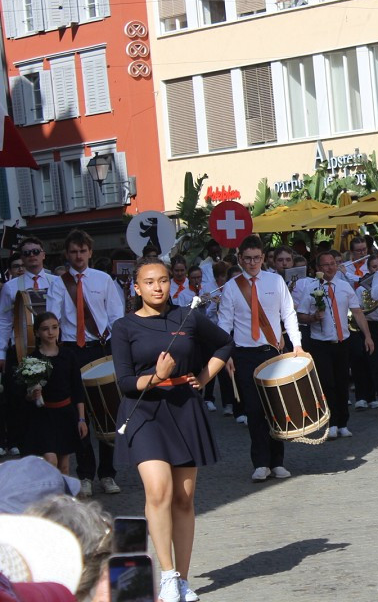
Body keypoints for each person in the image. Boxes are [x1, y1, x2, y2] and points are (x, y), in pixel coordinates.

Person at [112, 256, 234, 602]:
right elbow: (123, 382)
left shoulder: (187, 316)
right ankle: (166, 575)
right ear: (136, 288)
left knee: (183, 498)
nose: (157, 287)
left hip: (184, 409)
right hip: (144, 412)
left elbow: (225, 343)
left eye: (163, 280)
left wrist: (205, 375)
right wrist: (156, 377)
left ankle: (182, 578)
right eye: (149, 282)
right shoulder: (124, 327)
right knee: (159, 491)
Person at [217, 235, 304, 482]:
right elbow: (224, 324)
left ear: (263, 258)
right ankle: (261, 462)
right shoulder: (232, 287)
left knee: (276, 408)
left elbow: (288, 314)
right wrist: (225, 355)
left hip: (272, 353)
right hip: (245, 354)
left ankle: (278, 462)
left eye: (257, 258)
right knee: (254, 410)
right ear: (240, 259)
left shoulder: (276, 282)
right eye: (248, 259)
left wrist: (297, 344)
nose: (253, 262)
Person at [46, 230, 125, 498]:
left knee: (106, 413)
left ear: (90, 252)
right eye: (73, 252)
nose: (78, 256)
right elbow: (53, 318)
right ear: (66, 254)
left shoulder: (104, 280)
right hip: (70, 352)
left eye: (82, 251)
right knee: (78, 417)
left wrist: (117, 352)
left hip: (100, 349)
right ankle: (85, 474)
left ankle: (107, 473)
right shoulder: (59, 283)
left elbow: (116, 317)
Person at [296, 252, 375, 439]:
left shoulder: (344, 287)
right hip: (321, 343)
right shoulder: (311, 288)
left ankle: (343, 423)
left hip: (342, 341)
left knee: (342, 382)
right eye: (325, 265)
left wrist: (368, 336)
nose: (330, 268)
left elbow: (357, 312)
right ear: (318, 268)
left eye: (332, 264)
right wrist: (313, 317)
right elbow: (300, 315)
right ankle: (331, 422)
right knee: (327, 383)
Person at [0, 237, 59, 458]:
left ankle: (54, 451)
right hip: (22, 351)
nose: (32, 256)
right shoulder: (10, 287)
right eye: (27, 253)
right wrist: (1, 353)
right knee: (23, 406)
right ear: (22, 259)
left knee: (53, 402)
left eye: (36, 251)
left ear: (43, 254)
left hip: (52, 349)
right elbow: (4, 322)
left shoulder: (56, 282)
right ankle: (29, 453)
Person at [19, 313, 85, 475]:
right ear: (37, 333)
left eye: (54, 328)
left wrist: (81, 419)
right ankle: (51, 496)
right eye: (45, 329)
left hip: (65, 414)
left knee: (64, 466)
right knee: (50, 460)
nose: (50, 332)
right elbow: (25, 395)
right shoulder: (33, 359)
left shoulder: (68, 355)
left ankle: (63, 499)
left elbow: (77, 389)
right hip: (44, 415)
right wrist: (33, 394)